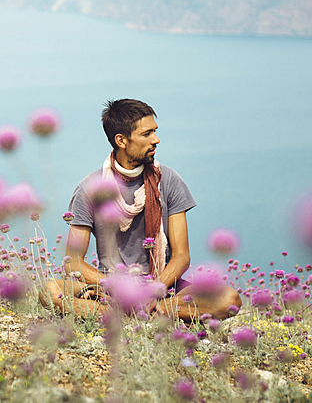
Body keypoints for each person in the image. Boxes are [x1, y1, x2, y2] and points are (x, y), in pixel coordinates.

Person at [44, 99, 241, 321]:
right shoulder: (90, 189)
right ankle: (133, 312)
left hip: (164, 287)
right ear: (121, 140)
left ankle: (136, 313)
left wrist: (151, 290)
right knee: (49, 291)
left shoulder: (169, 181)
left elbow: (181, 256)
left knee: (229, 299)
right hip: (109, 289)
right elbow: (73, 261)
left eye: (155, 132)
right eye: (147, 134)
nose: (156, 140)